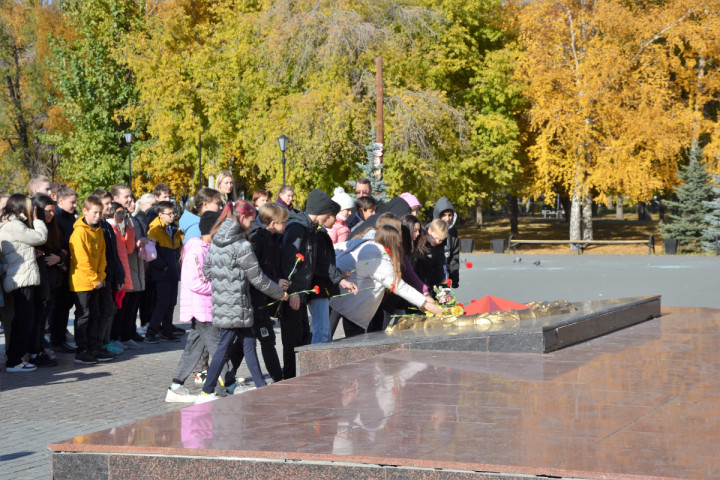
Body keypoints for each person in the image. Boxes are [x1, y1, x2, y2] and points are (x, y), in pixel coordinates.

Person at [195, 200, 289, 404]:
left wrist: (227, 278)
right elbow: (257, 278)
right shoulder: (242, 245)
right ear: (242, 218)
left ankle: (261, 388)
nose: (253, 224)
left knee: (248, 343)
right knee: (224, 347)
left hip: (223, 301)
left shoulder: (216, 240)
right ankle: (206, 391)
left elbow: (208, 271)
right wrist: (278, 293)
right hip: (237, 302)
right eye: (252, 219)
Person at [330, 225, 441, 338]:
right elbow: (399, 286)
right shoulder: (378, 256)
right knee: (353, 342)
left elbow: (335, 249)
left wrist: (338, 270)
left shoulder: (366, 243)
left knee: (328, 336)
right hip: (348, 303)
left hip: (339, 298)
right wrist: (426, 303)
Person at [166, 210, 223, 403]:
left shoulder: (207, 247)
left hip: (206, 305)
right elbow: (196, 282)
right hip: (201, 306)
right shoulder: (197, 249)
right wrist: (220, 287)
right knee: (218, 346)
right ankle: (228, 383)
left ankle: (175, 385)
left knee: (195, 347)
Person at [278, 189, 335, 379]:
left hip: (302, 292)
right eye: (328, 212)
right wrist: (293, 291)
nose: (329, 216)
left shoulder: (309, 229)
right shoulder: (298, 229)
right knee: (293, 340)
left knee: (303, 337)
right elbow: (288, 261)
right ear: (321, 210)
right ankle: (290, 379)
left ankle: (299, 377)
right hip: (293, 294)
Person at [0, 194, 48, 372]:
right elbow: (40, 237)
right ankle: (14, 361)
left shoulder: (11, 223)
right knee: (24, 321)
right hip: (21, 278)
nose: (33, 209)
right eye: (30, 207)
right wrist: (37, 221)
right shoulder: (14, 224)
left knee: (24, 319)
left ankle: (15, 358)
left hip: (22, 276)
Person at [246, 203, 289, 382]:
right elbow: (256, 270)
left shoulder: (272, 238)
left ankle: (228, 376)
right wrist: (274, 281)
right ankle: (277, 377)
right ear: (273, 223)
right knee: (265, 337)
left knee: (256, 338)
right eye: (283, 222)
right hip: (256, 297)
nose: (286, 225)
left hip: (265, 294)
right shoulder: (258, 239)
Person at [69, 195, 113, 364]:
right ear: (85, 211)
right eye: (94, 212)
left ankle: (94, 348)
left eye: (100, 213)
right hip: (82, 282)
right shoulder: (79, 232)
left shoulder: (99, 231)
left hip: (97, 281)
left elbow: (102, 256)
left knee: (95, 314)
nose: (97, 216)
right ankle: (81, 350)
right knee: (84, 315)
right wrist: (94, 278)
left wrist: (101, 276)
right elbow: (81, 260)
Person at [310, 203, 358, 343]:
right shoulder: (319, 233)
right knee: (322, 332)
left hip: (323, 285)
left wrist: (339, 273)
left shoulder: (321, 232)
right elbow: (323, 263)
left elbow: (326, 262)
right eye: (334, 217)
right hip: (319, 286)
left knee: (323, 330)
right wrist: (340, 279)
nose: (336, 220)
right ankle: (318, 363)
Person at [30, 194, 66, 367]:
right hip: (40, 281)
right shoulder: (34, 229)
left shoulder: (53, 228)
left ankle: (40, 348)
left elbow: (60, 250)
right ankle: (35, 351)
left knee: (43, 318)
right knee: (37, 319)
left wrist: (59, 259)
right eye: (48, 212)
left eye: (53, 212)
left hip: (52, 280)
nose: (51, 215)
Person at [111, 184, 146, 347]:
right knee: (123, 304)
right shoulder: (118, 218)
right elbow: (125, 245)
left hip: (135, 266)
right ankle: (121, 335)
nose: (130, 199)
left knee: (133, 302)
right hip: (126, 267)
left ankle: (129, 331)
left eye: (131, 196)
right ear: (116, 199)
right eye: (126, 197)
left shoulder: (131, 217)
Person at [92, 188, 125, 356]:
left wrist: (119, 274)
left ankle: (104, 341)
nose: (109, 207)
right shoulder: (96, 227)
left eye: (109, 203)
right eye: (106, 204)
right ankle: (97, 344)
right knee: (100, 311)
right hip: (99, 277)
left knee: (109, 309)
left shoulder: (106, 226)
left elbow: (114, 254)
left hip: (110, 274)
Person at [145, 201, 183, 343]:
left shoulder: (174, 229)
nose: (172, 216)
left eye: (174, 213)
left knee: (172, 302)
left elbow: (178, 250)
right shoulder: (155, 230)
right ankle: (151, 332)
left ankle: (167, 330)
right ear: (160, 215)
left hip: (173, 271)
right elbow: (152, 253)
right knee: (162, 303)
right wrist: (164, 266)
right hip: (162, 273)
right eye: (169, 214)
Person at [48, 185, 78, 353]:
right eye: (71, 202)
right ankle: (56, 340)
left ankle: (60, 338)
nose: (74, 205)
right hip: (59, 268)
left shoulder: (71, 217)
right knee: (58, 306)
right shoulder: (57, 217)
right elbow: (61, 240)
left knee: (65, 306)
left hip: (68, 266)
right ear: (60, 201)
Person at [107, 201, 138, 349]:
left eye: (123, 213)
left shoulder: (118, 229)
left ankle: (118, 336)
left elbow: (129, 249)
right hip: (117, 275)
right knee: (116, 309)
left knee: (122, 308)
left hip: (123, 273)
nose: (123, 216)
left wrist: (130, 231)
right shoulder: (110, 228)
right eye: (119, 212)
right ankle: (113, 337)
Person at [430, 197, 460, 288]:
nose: (447, 218)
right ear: (438, 215)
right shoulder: (430, 228)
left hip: (444, 274)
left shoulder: (453, 231)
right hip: (430, 275)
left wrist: (455, 278)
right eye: (444, 215)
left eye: (450, 215)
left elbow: (454, 256)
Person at [415, 219, 449, 294]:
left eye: (440, 240)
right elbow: (416, 267)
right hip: (417, 278)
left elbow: (440, 266)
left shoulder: (440, 246)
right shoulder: (420, 242)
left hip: (431, 279)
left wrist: (442, 287)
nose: (437, 242)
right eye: (436, 238)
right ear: (430, 230)